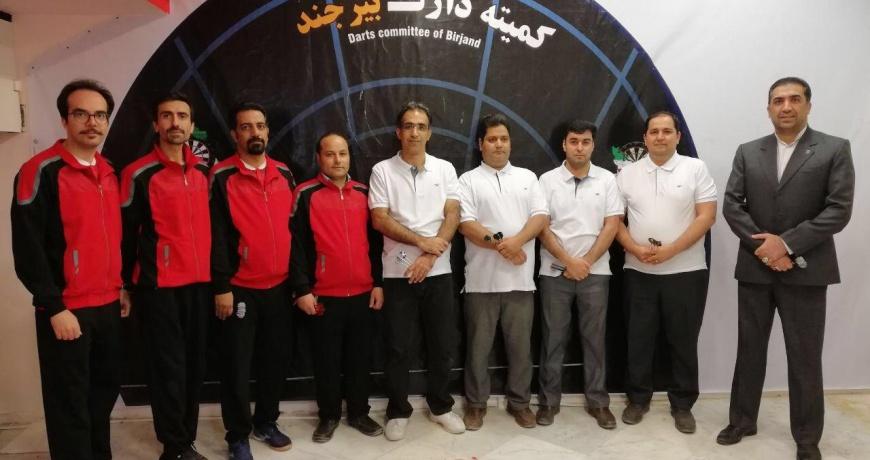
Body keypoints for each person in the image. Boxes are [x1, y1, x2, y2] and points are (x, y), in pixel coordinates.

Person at [718, 77, 854, 460]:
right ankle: (742, 420)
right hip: (756, 269)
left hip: (807, 271)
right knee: (749, 350)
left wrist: (787, 244)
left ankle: (807, 438)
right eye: (778, 101)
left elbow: (839, 209)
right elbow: (732, 205)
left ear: (808, 105)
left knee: (804, 356)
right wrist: (766, 249)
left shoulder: (834, 149)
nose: (786, 106)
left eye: (795, 99)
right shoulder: (748, 151)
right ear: (769, 109)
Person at [12, 79, 128, 460]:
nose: (92, 122)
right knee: (69, 405)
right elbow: (27, 248)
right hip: (67, 309)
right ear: (65, 119)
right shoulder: (38, 171)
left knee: (101, 397)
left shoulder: (109, 171)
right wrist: (54, 306)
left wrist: (121, 288)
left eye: (99, 115)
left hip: (108, 305)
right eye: (81, 114)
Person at [120, 92, 211, 460]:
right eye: (167, 116)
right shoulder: (138, 173)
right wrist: (124, 284)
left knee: (194, 368)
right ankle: (173, 446)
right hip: (158, 288)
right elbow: (125, 234)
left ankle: (186, 439)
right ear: (156, 124)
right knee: (168, 369)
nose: (175, 123)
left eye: (182, 116)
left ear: (192, 125)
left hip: (200, 285)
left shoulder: (203, 172)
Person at [368, 101, 466, 441]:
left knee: (442, 344)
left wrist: (429, 255)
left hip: (438, 271)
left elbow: (452, 214)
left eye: (421, 126)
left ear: (429, 133)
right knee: (398, 347)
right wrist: (422, 242)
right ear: (398, 132)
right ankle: (398, 410)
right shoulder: (382, 170)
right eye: (408, 126)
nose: (414, 132)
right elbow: (379, 219)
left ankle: (440, 406)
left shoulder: (445, 169)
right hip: (397, 273)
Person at [614, 111, 717, 434]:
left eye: (667, 131)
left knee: (683, 341)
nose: (660, 137)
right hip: (638, 270)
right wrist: (633, 247)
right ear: (645, 138)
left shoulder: (695, 168)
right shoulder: (626, 173)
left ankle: (683, 404)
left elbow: (707, 216)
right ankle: (638, 399)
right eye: (654, 132)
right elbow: (614, 220)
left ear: (678, 136)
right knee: (638, 339)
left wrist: (672, 250)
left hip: (686, 271)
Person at [210, 103, 295, 459]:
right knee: (237, 367)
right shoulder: (221, 176)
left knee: (275, 361)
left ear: (268, 131)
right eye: (246, 127)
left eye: (259, 126)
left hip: (280, 287)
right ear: (234, 134)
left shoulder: (284, 173)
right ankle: (238, 435)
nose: (254, 132)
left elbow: (292, 229)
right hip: (240, 288)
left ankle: (266, 422)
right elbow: (215, 235)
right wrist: (222, 286)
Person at [290, 132, 384, 443]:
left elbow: (376, 244)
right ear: (318, 158)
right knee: (326, 361)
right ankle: (328, 416)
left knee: (360, 359)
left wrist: (378, 283)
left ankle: (358, 413)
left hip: (362, 294)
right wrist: (302, 289)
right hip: (323, 296)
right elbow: (296, 246)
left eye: (342, 153)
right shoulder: (305, 194)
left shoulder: (364, 193)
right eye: (330, 154)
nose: (337, 160)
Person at [457, 113, 548, 430]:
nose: (499, 144)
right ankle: (475, 405)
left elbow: (540, 217)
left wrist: (517, 242)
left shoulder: (528, 177)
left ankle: (520, 404)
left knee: (521, 350)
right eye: (492, 139)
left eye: (504, 139)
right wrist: (503, 246)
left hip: (520, 282)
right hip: (480, 283)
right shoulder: (467, 180)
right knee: (477, 350)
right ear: (480, 144)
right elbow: (466, 224)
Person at [536, 120, 622, 429]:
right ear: (564, 145)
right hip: (555, 271)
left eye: (585, 142)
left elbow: (612, 224)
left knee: (594, 340)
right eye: (573, 141)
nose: (579, 147)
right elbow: (541, 226)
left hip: (595, 273)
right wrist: (568, 261)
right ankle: (548, 402)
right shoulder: (546, 180)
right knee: (552, 339)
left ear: (593, 145)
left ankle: (598, 402)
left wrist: (585, 261)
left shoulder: (607, 180)